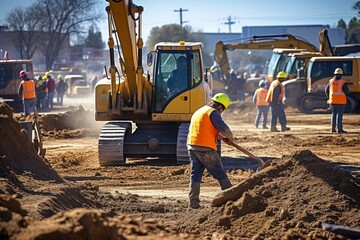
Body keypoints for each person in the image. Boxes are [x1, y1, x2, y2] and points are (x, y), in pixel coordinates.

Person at [187, 92, 234, 209]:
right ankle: (232, 199)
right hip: (205, 148)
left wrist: (222, 138)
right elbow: (225, 129)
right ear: (220, 106)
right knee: (220, 173)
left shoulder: (200, 111)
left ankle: (193, 203)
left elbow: (205, 129)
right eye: (222, 110)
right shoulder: (213, 113)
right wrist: (230, 138)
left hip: (192, 146)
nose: (221, 112)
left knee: (195, 174)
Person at [325, 68, 349, 134]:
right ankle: (339, 129)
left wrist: (329, 97)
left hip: (333, 101)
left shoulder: (331, 81)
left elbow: (326, 90)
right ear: (341, 75)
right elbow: (347, 91)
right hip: (341, 101)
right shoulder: (343, 82)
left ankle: (333, 129)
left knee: (334, 114)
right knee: (339, 115)